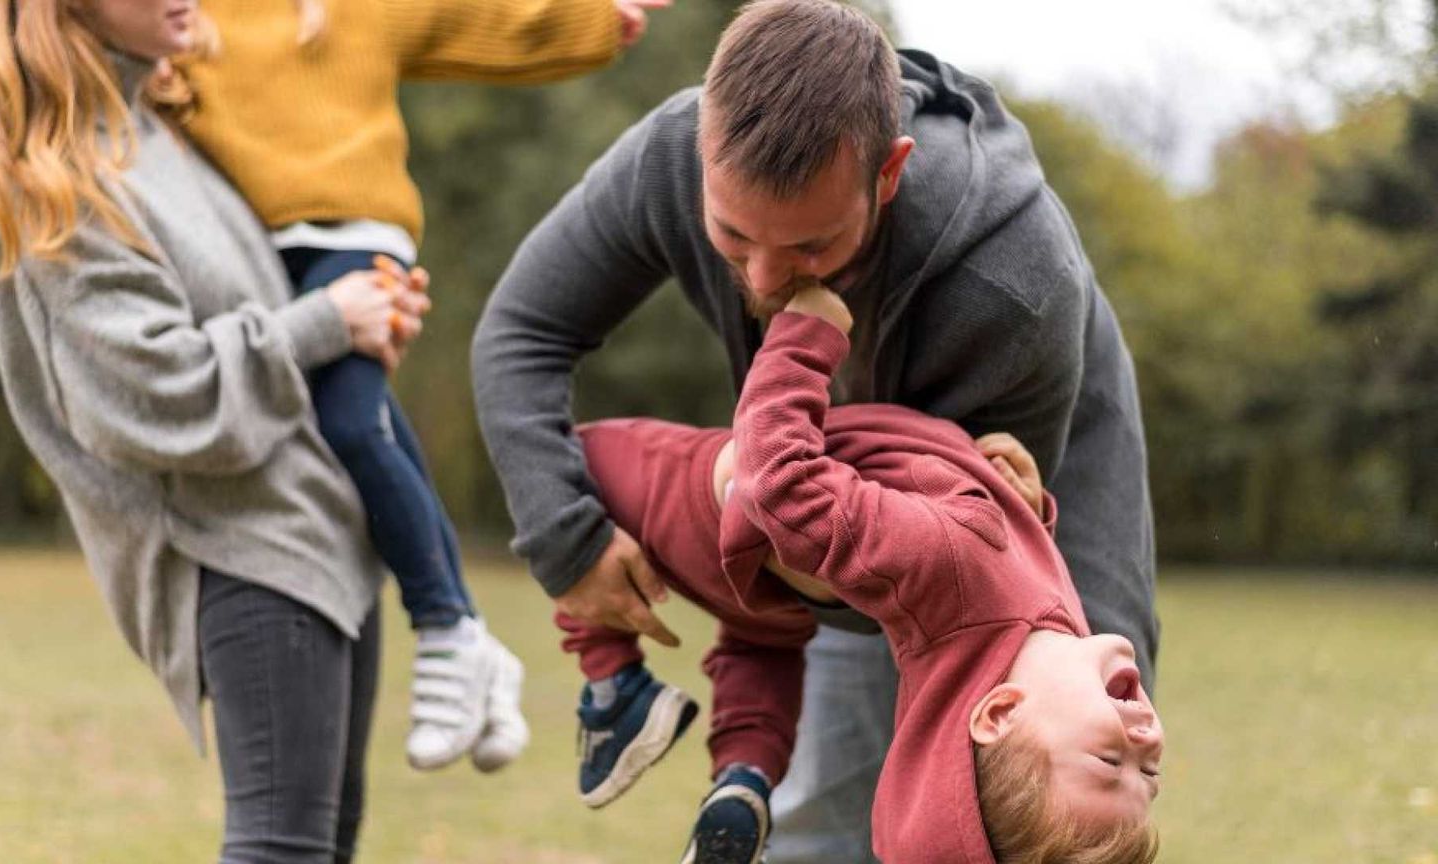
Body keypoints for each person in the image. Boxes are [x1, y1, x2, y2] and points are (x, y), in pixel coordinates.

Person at [471, 1, 1159, 858]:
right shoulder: (670, 155)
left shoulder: (1011, 282)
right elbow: (522, 331)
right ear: (701, 151)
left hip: (1032, 532)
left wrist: (757, 508)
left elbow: (938, 583)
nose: (764, 279)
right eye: (732, 236)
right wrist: (565, 540)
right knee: (822, 823)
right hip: (844, 485)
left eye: (809, 248)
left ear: (888, 173)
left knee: (1049, 825)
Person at [0, 0, 424, 859]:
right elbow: (157, 400)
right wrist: (325, 324)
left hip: (328, 542)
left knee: (323, 848)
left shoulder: (166, 131)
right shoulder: (61, 181)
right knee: (283, 849)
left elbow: (269, 309)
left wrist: (365, 318)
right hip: (241, 555)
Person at [178, 0, 670, 772]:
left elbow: (483, 20)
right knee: (361, 421)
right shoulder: (185, 21)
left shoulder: (356, 9)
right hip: (260, 261)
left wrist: (596, 19)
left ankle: (442, 624)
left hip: (358, 239)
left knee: (348, 424)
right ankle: (476, 642)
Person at [559, 286, 1163, 863]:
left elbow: (780, 487)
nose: (1146, 740)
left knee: (570, 473)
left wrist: (803, 338)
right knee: (757, 644)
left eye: (1111, 761)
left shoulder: (947, 559)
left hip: (711, 510)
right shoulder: (1056, 638)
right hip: (775, 595)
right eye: (1151, 772)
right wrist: (1025, 506)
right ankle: (744, 770)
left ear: (1001, 713)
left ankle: (614, 682)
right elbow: (1016, 569)